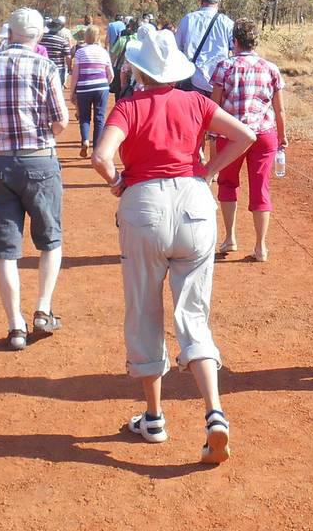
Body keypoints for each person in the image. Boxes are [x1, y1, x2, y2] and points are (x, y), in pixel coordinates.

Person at [92, 27, 256, 465]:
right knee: (193, 314)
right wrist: (208, 170)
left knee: (144, 308)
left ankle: (155, 417)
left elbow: (101, 157)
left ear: (139, 69)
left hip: (143, 206)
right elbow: (245, 135)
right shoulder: (198, 102)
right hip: (194, 204)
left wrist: (117, 181)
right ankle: (214, 414)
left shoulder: (127, 106)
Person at [0, 7, 69, 349]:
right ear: (38, 35)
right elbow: (61, 119)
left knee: (6, 250)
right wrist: (43, 134)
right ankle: (42, 309)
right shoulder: (46, 66)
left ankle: (15, 327)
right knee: (50, 239)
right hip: (40, 159)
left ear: (9, 32)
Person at [208, 17, 287, 262]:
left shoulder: (224, 66)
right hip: (264, 135)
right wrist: (283, 138)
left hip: (232, 134)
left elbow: (214, 106)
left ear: (235, 41)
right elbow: (280, 109)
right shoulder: (271, 67)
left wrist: (211, 137)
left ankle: (230, 237)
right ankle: (261, 246)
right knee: (260, 187)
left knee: (228, 183)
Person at [174, 0, 234, 94]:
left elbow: (176, 48)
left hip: (192, 81)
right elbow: (235, 50)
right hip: (218, 85)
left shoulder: (188, 19)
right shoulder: (227, 23)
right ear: (218, 2)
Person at [70, 24, 114, 157]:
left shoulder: (80, 52)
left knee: (84, 117)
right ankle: (97, 148)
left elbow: (75, 74)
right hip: (101, 87)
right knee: (99, 117)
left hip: (84, 87)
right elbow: (110, 74)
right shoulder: (104, 52)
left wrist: (73, 92)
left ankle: (85, 140)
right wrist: (105, 84)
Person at [40, 16, 71, 84]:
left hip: (43, 67)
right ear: (59, 29)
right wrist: (69, 68)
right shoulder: (62, 41)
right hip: (58, 69)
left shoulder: (41, 39)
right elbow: (68, 57)